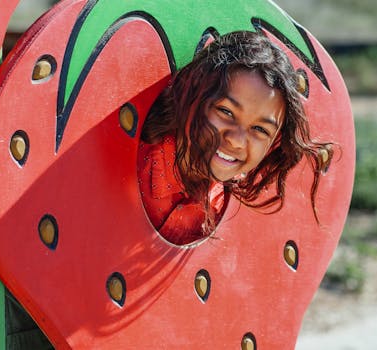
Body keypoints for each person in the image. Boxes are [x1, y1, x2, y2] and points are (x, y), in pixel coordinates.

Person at [138, 30, 333, 245]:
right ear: (190, 94)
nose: (237, 140)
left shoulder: (221, 200)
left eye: (260, 129)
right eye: (226, 112)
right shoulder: (140, 164)